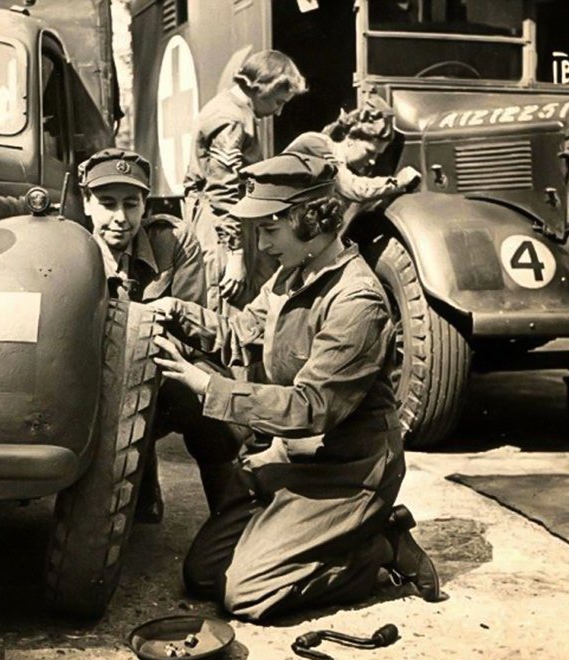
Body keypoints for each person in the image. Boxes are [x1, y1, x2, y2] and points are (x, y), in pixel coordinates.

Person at [151, 152, 443, 621]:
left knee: (246, 595)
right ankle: (298, 536)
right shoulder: (291, 276)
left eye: (270, 229)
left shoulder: (357, 300)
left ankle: (380, 548)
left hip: (349, 472)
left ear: (310, 220)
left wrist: (209, 387)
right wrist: (177, 312)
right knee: (204, 575)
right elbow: (241, 332)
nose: (262, 245)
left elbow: (312, 408)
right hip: (296, 460)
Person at [78, 148, 248, 520]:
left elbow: (189, 329)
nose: (120, 218)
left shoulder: (171, 239)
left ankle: (233, 526)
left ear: (144, 205)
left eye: (131, 204)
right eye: (107, 203)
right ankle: (138, 490)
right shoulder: (72, 249)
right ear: (86, 203)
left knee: (211, 409)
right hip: (92, 379)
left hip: (160, 365)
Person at [184, 49, 307, 313]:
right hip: (221, 227)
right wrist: (236, 255)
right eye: (277, 102)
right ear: (258, 88)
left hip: (233, 223)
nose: (279, 111)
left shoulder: (234, 110)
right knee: (226, 303)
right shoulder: (230, 119)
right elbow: (223, 191)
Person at [285, 97, 421, 212]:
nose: (373, 161)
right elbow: (350, 188)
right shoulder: (316, 143)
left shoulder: (347, 169)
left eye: (377, 156)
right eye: (369, 152)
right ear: (350, 139)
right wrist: (397, 182)